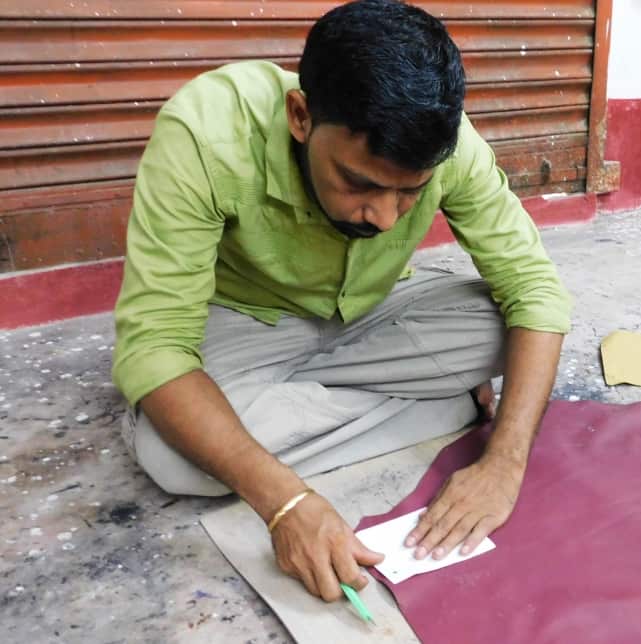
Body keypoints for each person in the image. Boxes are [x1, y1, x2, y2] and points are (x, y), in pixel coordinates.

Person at [111, 0, 571, 603]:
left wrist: (505, 463)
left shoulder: (449, 143)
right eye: (359, 184)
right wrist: (285, 501)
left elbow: (534, 289)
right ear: (300, 116)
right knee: (171, 460)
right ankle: (443, 403)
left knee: (503, 327)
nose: (383, 219)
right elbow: (157, 345)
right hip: (251, 320)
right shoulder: (206, 131)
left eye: (410, 193)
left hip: (373, 311)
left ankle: (269, 409)